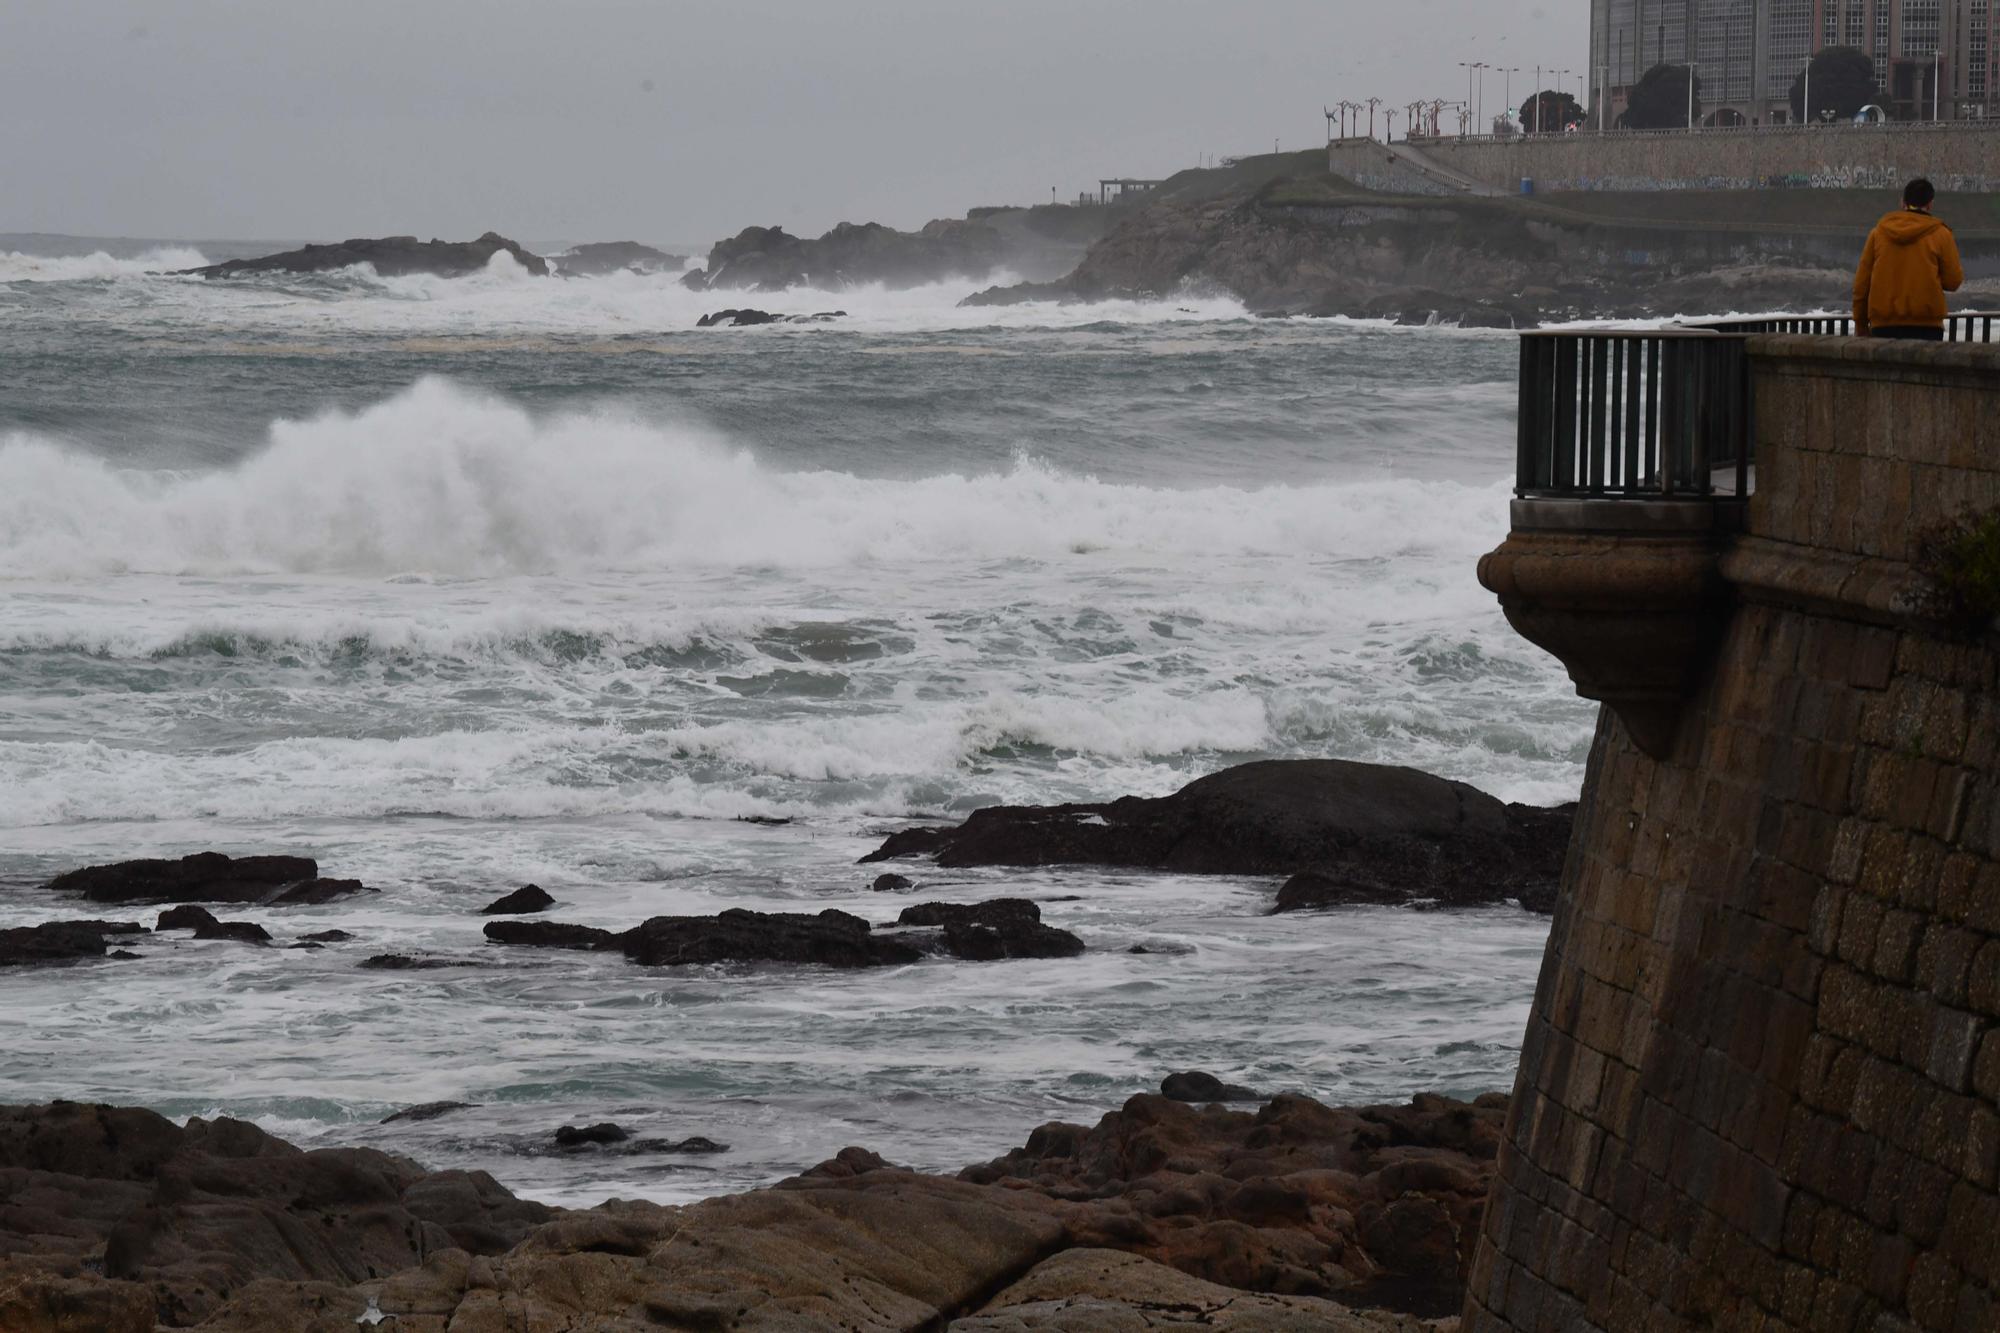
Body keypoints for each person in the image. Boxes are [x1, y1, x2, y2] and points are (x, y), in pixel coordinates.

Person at [1852, 178, 1964, 340]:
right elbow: (1953, 281)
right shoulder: (1941, 234)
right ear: (1930, 204)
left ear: (1902, 202)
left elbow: (1861, 285)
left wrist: (1860, 324)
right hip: (1927, 327)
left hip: (1883, 326)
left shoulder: (1878, 233)